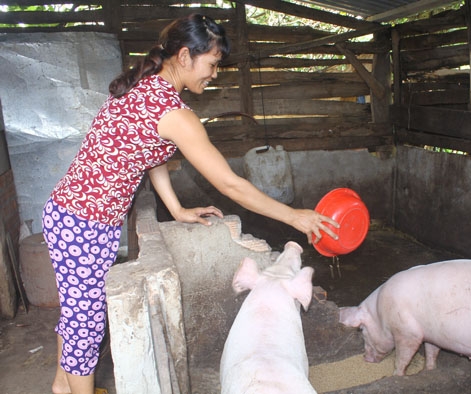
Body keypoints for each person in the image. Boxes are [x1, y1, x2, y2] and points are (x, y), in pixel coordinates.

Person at [42, 13, 339, 394]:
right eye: (212, 64)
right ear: (185, 56)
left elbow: (151, 158)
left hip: (73, 216)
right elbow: (231, 185)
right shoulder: (175, 114)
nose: (214, 74)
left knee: (77, 314)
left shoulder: (147, 89)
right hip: (83, 223)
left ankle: (61, 387)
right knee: (87, 325)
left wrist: (178, 209)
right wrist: (293, 216)